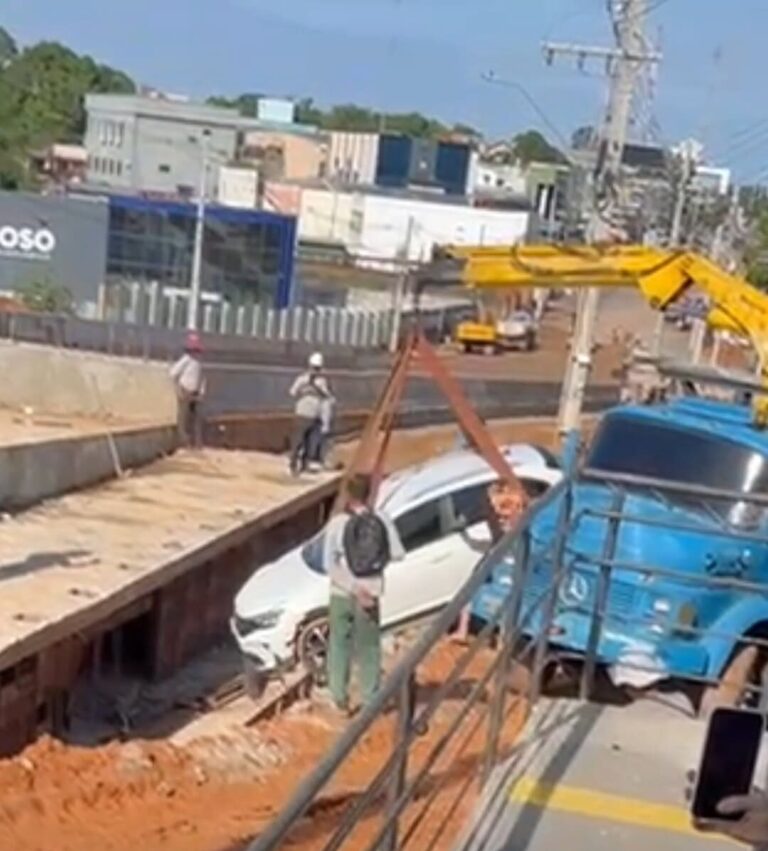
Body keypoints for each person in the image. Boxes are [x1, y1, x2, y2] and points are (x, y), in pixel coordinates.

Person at [323, 472, 402, 713]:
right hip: (369, 594)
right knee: (369, 647)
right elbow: (398, 553)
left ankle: (339, 698)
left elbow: (328, 564)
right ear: (370, 494)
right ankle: (370, 700)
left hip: (341, 593)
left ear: (348, 496)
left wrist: (351, 586)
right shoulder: (381, 520)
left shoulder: (337, 524)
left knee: (339, 644)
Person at [289, 352, 331, 476]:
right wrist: (304, 386)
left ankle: (304, 464)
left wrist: (325, 420)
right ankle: (293, 464)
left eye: (317, 368)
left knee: (310, 443)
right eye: (314, 368)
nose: (315, 371)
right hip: (302, 414)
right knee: (298, 441)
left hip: (315, 415)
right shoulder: (301, 379)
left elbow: (326, 398)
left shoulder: (322, 382)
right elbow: (292, 392)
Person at [169, 331, 206, 448]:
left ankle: (196, 443)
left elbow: (202, 377)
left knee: (195, 419)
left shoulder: (199, 361)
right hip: (185, 390)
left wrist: (202, 391)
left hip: (195, 392)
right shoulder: (186, 360)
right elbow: (173, 373)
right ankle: (184, 444)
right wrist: (178, 390)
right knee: (183, 419)